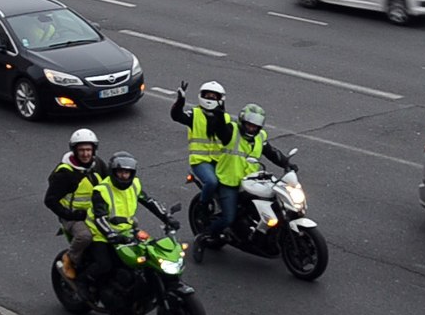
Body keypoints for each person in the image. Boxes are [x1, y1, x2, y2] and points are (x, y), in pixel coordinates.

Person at [195, 103, 296, 257]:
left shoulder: (260, 137)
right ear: (242, 122)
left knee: (274, 203)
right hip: (229, 182)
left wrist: (287, 164)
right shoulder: (231, 132)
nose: (251, 129)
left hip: (252, 181)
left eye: (255, 127)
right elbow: (222, 129)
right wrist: (220, 116)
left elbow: (271, 152)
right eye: (249, 125)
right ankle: (205, 235)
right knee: (229, 217)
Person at [84, 151, 179, 286]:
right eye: (120, 172)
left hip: (128, 231)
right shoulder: (101, 190)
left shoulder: (135, 184)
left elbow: (149, 202)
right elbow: (100, 218)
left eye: (127, 172)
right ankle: (84, 283)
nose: (124, 176)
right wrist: (111, 234)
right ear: (113, 172)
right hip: (101, 234)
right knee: (105, 265)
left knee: (150, 255)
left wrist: (167, 218)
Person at [45, 128, 108, 280]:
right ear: (74, 151)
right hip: (74, 217)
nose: (86, 154)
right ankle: (70, 258)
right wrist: (71, 215)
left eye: (88, 150)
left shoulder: (98, 164)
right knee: (85, 236)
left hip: (96, 213)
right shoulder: (65, 173)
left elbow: (110, 183)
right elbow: (50, 200)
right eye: (81, 150)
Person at [171, 80, 230, 213]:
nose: (210, 98)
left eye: (214, 96)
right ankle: (203, 206)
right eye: (207, 95)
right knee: (212, 182)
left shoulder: (224, 117)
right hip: (200, 161)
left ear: (221, 99)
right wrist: (180, 101)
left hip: (220, 161)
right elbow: (177, 116)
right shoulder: (194, 114)